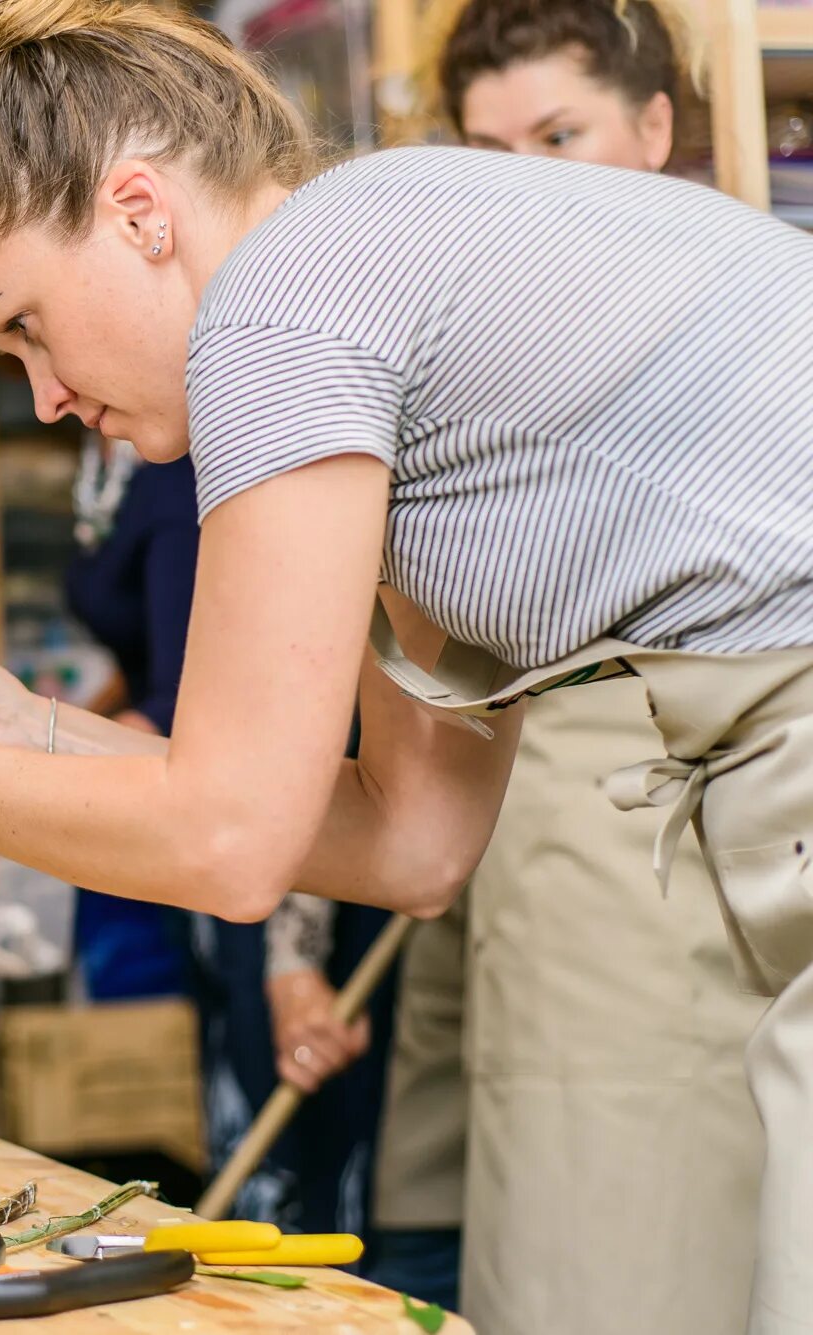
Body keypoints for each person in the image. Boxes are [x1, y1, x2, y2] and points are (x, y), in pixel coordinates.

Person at [0, 5, 813, 1330]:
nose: (44, 395)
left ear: (138, 212)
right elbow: (410, 839)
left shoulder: (283, 299)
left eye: (27, 325)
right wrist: (13, 724)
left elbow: (224, 844)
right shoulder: (369, 291)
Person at [362, 3, 768, 1328]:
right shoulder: (446, 350)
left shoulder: (743, 313)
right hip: (494, 826)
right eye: (489, 151)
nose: (527, 180)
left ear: (656, 127)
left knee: (648, 1217)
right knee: (499, 1200)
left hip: (661, 816)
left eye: (559, 133)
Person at [66, 443, 390, 1236]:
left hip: (279, 845)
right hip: (195, 809)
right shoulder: (117, 439)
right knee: (231, 1104)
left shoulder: (212, 457)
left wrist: (292, 959)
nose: (45, 394)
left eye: (27, 324)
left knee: (289, 1131)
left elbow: (304, 722)